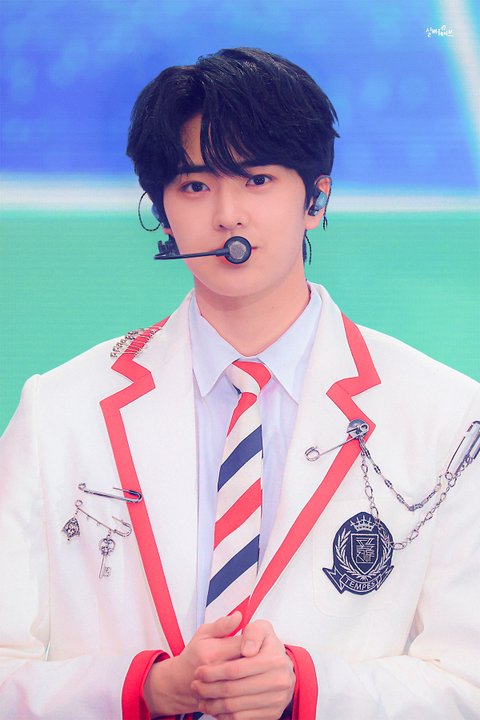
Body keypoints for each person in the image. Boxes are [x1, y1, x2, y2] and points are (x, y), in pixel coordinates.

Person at [0, 47, 479, 720]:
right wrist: (143, 689)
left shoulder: (448, 415)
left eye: (257, 179)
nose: (228, 215)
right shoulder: (58, 410)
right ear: (163, 212)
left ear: (316, 199)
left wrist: (308, 689)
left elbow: (468, 682)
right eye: (195, 186)